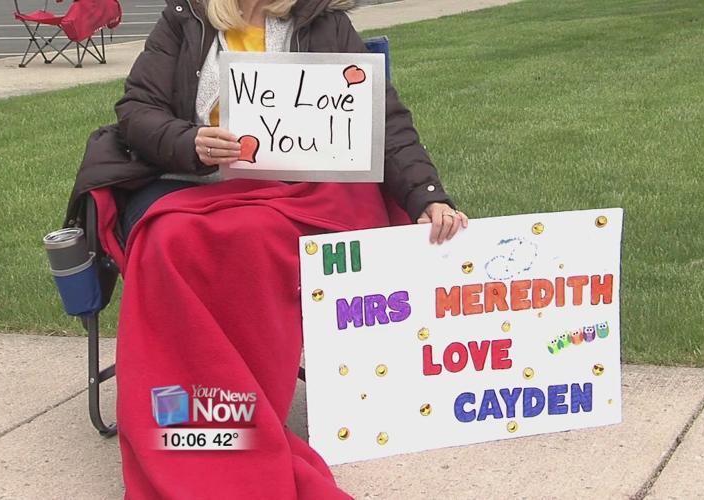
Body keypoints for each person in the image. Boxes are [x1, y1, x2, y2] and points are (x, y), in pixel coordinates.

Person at [64, 0, 467, 498]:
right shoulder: (185, 16)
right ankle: (197, 422)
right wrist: (189, 141)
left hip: (300, 188)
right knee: (168, 241)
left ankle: (236, 405)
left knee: (253, 236)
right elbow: (136, 109)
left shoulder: (322, 21)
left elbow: (384, 120)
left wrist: (428, 195)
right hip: (198, 181)